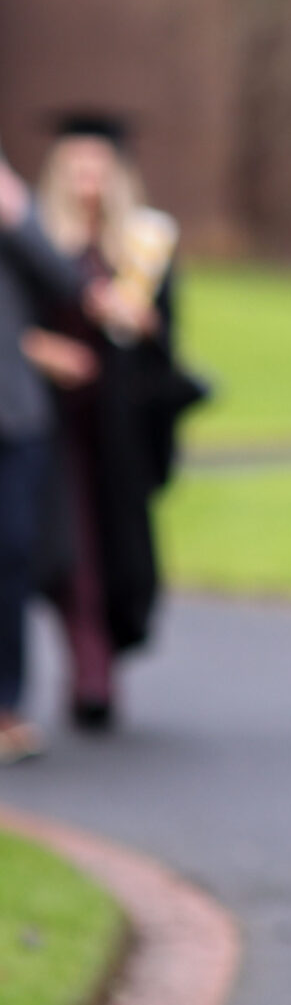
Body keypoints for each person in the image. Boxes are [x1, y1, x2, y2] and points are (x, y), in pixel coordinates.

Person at [20, 113, 201, 733]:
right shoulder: (38, 241)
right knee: (71, 549)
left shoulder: (142, 247)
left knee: (121, 550)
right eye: (76, 165)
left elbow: (168, 341)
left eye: (97, 166)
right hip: (54, 423)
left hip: (119, 425)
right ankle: (89, 668)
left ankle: (105, 656)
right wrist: (47, 352)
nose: (87, 178)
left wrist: (145, 324)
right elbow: (14, 324)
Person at [0, 141, 84, 762]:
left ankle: (7, 706)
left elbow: (67, 284)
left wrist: (19, 217)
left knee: (13, 555)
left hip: (16, 416)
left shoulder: (11, 216)